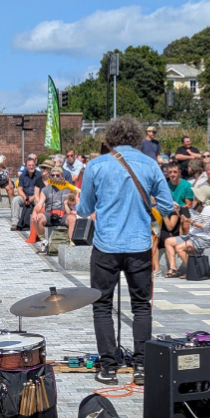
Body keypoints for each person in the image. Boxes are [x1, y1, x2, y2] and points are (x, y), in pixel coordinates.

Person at [77, 116, 174, 386]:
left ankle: (108, 368)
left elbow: (85, 209)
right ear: (137, 138)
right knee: (141, 306)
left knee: (102, 306)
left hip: (106, 245)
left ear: (110, 138)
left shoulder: (96, 165)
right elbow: (167, 205)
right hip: (139, 244)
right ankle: (142, 366)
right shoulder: (150, 164)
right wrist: (145, 208)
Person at [164, 185, 210, 279]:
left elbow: (205, 227)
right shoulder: (196, 206)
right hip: (192, 236)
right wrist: (179, 212)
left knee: (179, 248)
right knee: (168, 241)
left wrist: (190, 221)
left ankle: (193, 270)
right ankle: (173, 268)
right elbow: (189, 217)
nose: (195, 196)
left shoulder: (208, 209)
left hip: (202, 239)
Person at [30, 167, 76, 248]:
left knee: (73, 218)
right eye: (52, 175)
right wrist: (34, 212)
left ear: (62, 176)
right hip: (50, 214)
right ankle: (43, 239)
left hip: (64, 214)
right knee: (37, 218)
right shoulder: (45, 189)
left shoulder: (69, 189)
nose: (55, 177)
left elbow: (76, 202)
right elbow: (39, 204)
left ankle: (71, 241)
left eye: (57, 175)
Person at [11, 158, 43, 229]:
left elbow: (41, 190)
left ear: (35, 165)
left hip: (36, 196)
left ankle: (38, 222)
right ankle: (15, 223)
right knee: (15, 200)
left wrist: (33, 197)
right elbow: (20, 189)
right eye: (29, 165)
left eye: (32, 165)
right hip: (25, 196)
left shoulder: (39, 175)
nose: (31, 167)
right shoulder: (22, 176)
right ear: (26, 167)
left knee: (38, 202)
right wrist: (25, 197)